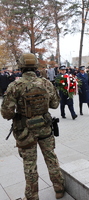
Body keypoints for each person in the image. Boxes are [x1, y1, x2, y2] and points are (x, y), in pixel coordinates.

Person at [1, 53, 65, 199]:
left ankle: (32, 196)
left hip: (25, 131)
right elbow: (55, 104)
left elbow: (6, 113)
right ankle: (59, 189)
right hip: (45, 129)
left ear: (21, 66)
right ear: (35, 65)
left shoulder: (15, 85)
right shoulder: (46, 83)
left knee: (30, 165)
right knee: (51, 159)